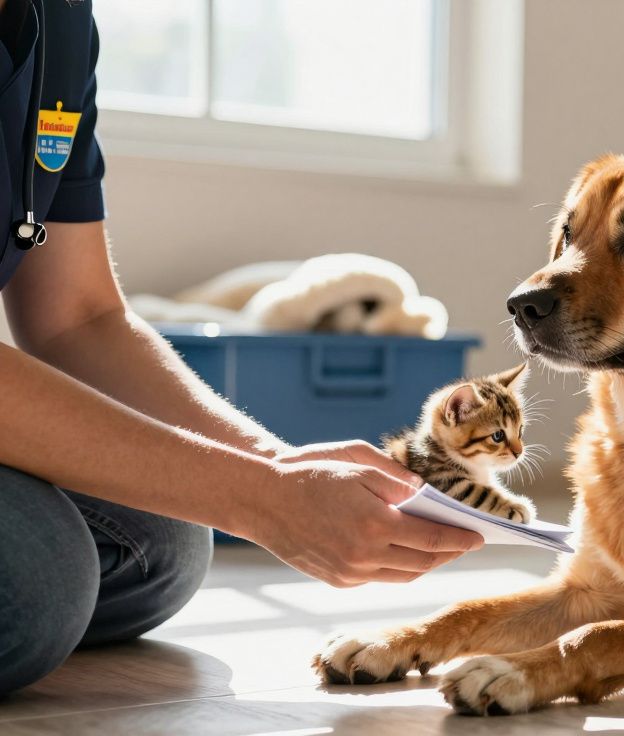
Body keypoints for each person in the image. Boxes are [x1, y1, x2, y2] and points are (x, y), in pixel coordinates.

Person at [0, 0, 483, 695]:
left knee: (163, 541)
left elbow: (77, 316)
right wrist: (260, 498)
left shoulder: (60, 22)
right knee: (39, 584)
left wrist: (273, 466)